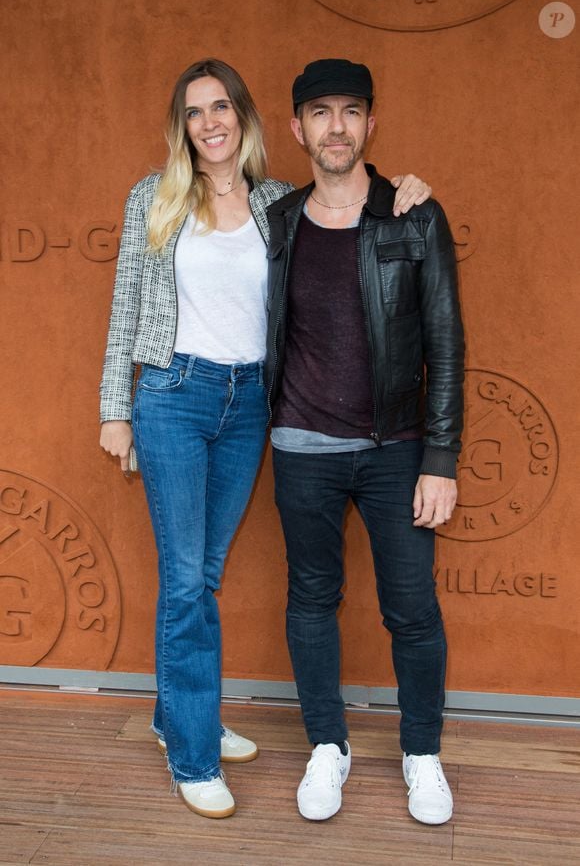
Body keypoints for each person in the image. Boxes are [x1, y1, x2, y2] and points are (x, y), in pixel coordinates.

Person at [99, 57, 432, 819]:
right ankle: (191, 752)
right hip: (175, 396)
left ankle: (178, 711)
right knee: (184, 579)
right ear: (180, 125)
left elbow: (353, 203)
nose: (210, 122)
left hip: (251, 401)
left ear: (246, 119)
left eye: (223, 107)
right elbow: (124, 306)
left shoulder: (279, 203)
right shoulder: (152, 198)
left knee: (203, 572)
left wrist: (409, 191)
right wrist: (114, 409)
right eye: (194, 111)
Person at [265, 59, 465, 825]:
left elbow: (444, 341)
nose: (336, 126)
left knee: (411, 609)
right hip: (300, 448)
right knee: (311, 597)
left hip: (397, 450)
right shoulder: (278, 221)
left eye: (351, 111)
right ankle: (328, 745)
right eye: (321, 113)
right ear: (298, 129)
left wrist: (439, 458)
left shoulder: (415, 214)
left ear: (370, 124)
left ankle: (422, 752)